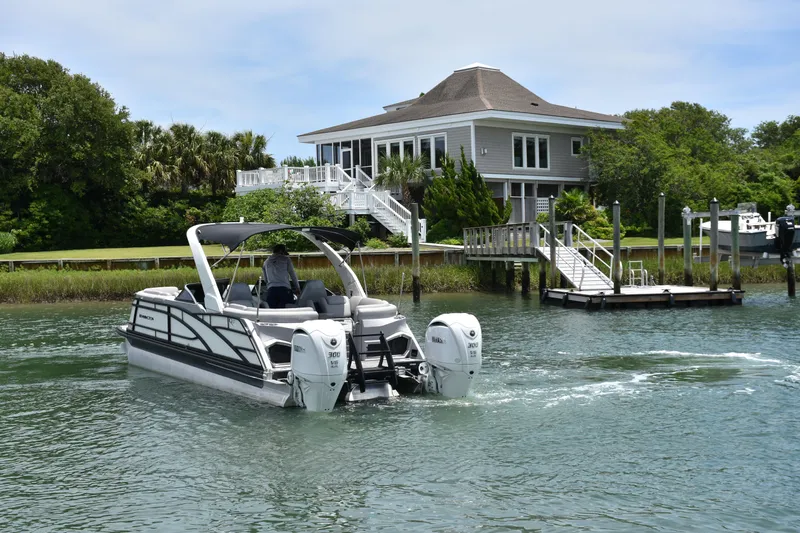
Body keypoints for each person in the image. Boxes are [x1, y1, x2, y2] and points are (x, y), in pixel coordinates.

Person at [262, 244, 301, 309]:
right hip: (285, 290)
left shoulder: (266, 262)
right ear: (281, 251)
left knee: (272, 312)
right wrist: (297, 288)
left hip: (272, 291)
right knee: (286, 311)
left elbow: (266, 280)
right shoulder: (286, 259)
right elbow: (292, 274)